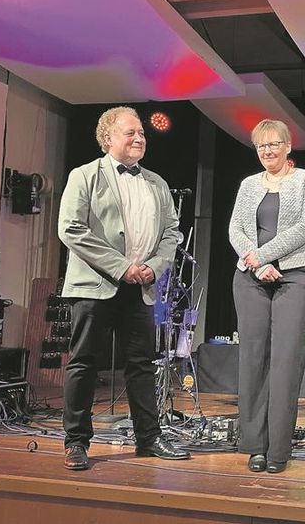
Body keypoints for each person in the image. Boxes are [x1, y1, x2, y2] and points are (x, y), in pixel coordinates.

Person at [58, 106, 189, 470]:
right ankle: (76, 441)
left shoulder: (157, 183)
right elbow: (71, 228)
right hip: (95, 286)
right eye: (130, 132)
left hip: (140, 287)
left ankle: (148, 438)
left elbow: (171, 233)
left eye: (142, 133)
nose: (139, 138)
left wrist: (154, 268)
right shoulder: (84, 176)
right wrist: (122, 267)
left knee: (141, 365)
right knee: (84, 363)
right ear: (108, 137)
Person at [229, 119, 305, 474]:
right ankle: (255, 446)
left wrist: (263, 256)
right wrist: (257, 264)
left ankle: (279, 449)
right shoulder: (248, 184)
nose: (268, 151)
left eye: (274, 144)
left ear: (288, 146)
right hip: (250, 277)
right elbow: (235, 229)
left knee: (285, 361)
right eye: (261, 146)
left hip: (293, 275)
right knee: (253, 358)